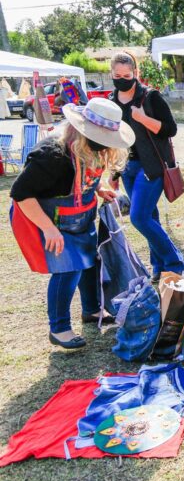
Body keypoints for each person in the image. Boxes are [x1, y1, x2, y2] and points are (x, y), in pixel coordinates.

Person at [10, 98, 133, 349]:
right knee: (68, 269)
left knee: (89, 262)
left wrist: (99, 188)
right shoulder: (51, 156)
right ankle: (59, 329)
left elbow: (86, 175)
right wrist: (48, 228)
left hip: (81, 218)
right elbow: (20, 193)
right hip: (51, 220)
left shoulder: (94, 150)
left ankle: (91, 309)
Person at [108, 51, 184, 283]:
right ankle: (159, 266)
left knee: (139, 218)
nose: (122, 79)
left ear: (136, 73)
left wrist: (143, 119)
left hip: (152, 168)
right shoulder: (111, 103)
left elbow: (170, 129)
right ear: (111, 74)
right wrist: (114, 173)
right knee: (150, 217)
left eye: (127, 74)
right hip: (127, 168)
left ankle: (174, 262)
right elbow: (113, 141)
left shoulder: (150, 97)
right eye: (117, 75)